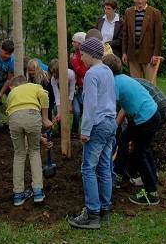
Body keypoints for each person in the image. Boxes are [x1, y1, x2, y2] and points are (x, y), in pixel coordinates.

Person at [68, 38, 116, 230]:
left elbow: (91, 105)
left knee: (88, 168)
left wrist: (85, 130)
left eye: (82, 53)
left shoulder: (91, 74)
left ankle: (92, 213)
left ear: (89, 54)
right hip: (110, 123)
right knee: (104, 166)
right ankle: (105, 208)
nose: (81, 57)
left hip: (97, 124)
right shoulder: (108, 71)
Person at [103, 54, 161, 206]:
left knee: (140, 153)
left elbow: (109, 107)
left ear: (107, 72)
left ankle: (151, 193)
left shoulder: (114, 83)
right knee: (124, 139)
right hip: (150, 114)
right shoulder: (123, 78)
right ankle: (122, 173)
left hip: (145, 119)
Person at [6, 74, 52, 206]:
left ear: (13, 86)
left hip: (14, 118)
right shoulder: (34, 86)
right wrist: (45, 118)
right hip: (32, 114)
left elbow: (14, 113)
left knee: (19, 154)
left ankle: (18, 195)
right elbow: (44, 96)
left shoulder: (12, 93)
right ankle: (38, 192)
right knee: (34, 152)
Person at [122, 0, 162, 83]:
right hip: (132, 55)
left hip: (149, 55)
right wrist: (124, 52)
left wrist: (156, 55)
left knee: (151, 85)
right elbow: (125, 34)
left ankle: (151, 99)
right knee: (135, 85)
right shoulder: (128, 12)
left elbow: (158, 36)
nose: (139, 1)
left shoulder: (155, 13)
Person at [70, 32, 88, 137]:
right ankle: (74, 132)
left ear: (80, 43)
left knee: (85, 112)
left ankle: (84, 131)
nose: (72, 43)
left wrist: (74, 61)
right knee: (76, 112)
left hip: (84, 88)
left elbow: (82, 72)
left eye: (74, 41)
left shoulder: (83, 56)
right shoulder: (76, 54)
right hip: (76, 88)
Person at [48, 59, 76, 126]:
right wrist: (59, 112)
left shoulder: (71, 74)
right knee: (56, 111)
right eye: (52, 73)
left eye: (55, 72)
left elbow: (72, 90)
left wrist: (69, 104)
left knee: (77, 111)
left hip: (73, 94)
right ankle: (61, 130)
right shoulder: (53, 80)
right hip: (62, 95)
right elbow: (57, 96)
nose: (54, 75)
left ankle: (74, 132)